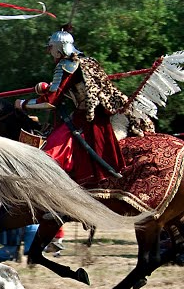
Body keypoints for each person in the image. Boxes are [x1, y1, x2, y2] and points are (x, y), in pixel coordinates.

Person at [17, 26, 144, 187]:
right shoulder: (87, 61)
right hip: (97, 113)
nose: (50, 54)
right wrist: (45, 87)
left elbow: (51, 100)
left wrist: (23, 104)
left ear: (58, 49)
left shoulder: (66, 65)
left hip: (85, 117)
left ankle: (60, 191)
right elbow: (67, 88)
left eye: (51, 49)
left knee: (52, 150)